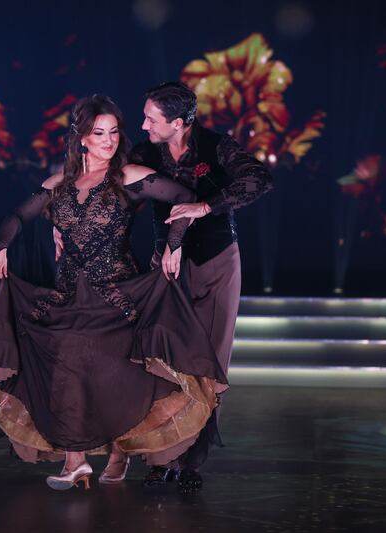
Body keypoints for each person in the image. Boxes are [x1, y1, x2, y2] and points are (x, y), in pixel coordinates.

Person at [0, 95, 228, 491]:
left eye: (114, 132)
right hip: (69, 295)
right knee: (64, 368)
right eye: (99, 133)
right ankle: (76, 461)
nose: (109, 140)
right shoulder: (59, 184)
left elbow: (183, 198)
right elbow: (18, 215)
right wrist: (1, 246)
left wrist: (174, 243)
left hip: (118, 294)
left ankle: (117, 453)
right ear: (82, 138)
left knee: (112, 374)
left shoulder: (128, 175)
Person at [133, 81, 274, 493]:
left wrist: (206, 206)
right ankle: (161, 457)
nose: (144, 125)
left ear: (178, 123)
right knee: (163, 360)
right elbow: (110, 187)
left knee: (208, 362)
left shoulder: (216, 146)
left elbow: (259, 179)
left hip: (216, 261)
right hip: (167, 266)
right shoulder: (145, 153)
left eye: (151, 119)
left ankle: (192, 460)